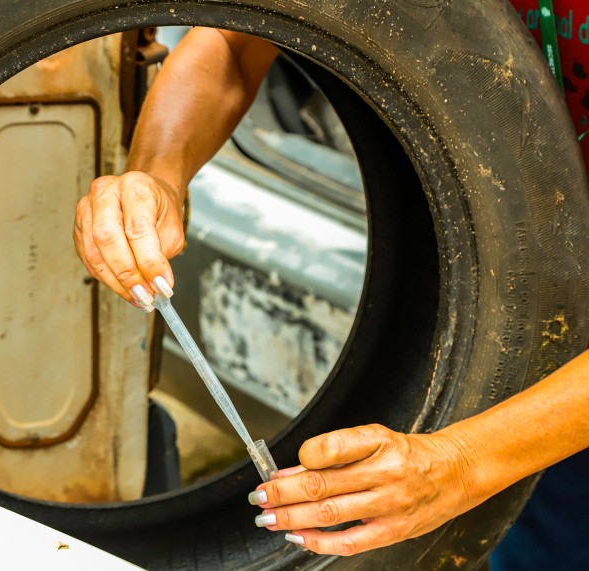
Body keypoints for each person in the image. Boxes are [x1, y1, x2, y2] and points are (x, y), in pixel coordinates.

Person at [73, 27, 589, 560]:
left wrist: (460, 462)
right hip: (531, 284)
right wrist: (155, 177)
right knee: (541, 531)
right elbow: (232, 46)